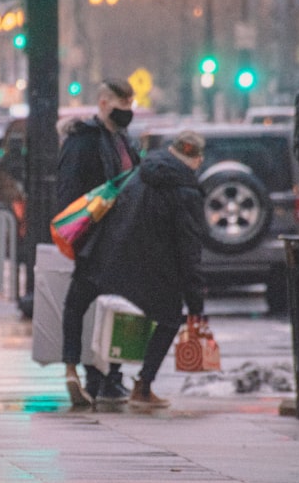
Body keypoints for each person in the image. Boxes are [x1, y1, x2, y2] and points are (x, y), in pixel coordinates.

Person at [74, 130, 209, 408]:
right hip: (157, 268)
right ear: (197, 160)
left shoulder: (139, 173)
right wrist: (195, 300)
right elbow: (188, 247)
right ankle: (144, 387)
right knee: (170, 319)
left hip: (117, 259)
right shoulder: (185, 190)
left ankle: (101, 382)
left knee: (117, 318)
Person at [58, 78, 142, 406]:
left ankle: (105, 376)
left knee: (116, 306)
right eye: (122, 108)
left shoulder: (122, 140)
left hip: (121, 237)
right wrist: (77, 236)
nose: (127, 114)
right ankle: (88, 373)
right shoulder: (85, 141)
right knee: (81, 301)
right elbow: (68, 190)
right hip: (96, 237)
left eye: (130, 108)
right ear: (104, 104)